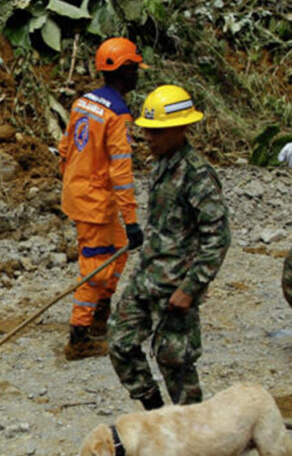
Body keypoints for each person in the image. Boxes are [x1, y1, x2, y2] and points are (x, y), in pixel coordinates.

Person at [108, 85, 231, 409]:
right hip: (147, 279)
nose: (148, 138)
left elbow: (217, 238)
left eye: (157, 132)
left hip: (177, 288)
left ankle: (193, 439)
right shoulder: (160, 163)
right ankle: (157, 414)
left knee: (175, 364)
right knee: (121, 343)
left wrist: (191, 288)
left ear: (182, 128)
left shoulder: (198, 175)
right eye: (147, 130)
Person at [57, 37, 147, 360]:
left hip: (81, 195)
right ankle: (78, 337)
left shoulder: (83, 103)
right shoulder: (117, 116)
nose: (138, 75)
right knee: (95, 266)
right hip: (95, 202)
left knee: (119, 251)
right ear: (124, 71)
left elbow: (65, 148)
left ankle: (99, 315)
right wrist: (133, 220)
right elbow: (121, 175)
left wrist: (72, 181)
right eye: (134, 68)